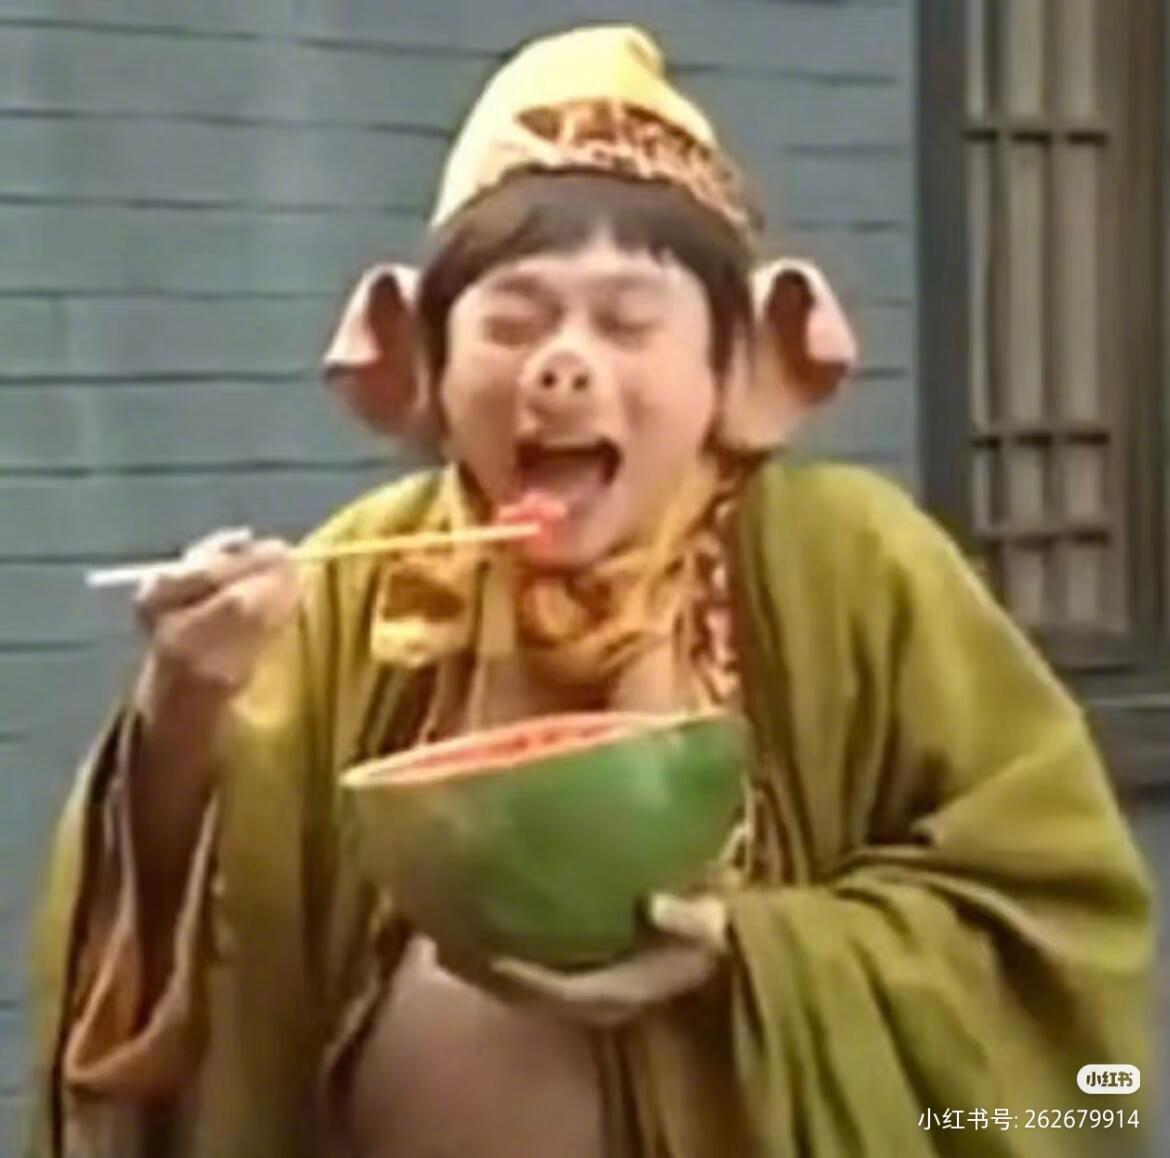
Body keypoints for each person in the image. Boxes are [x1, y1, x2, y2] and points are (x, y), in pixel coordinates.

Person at [28, 24, 1153, 1158]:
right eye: (513, 322)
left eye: (628, 322)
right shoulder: (366, 583)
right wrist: (182, 713)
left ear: (730, 367)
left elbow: (1055, 934)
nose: (562, 365)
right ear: (430, 364)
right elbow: (200, 941)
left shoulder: (854, 563)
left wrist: (752, 957)